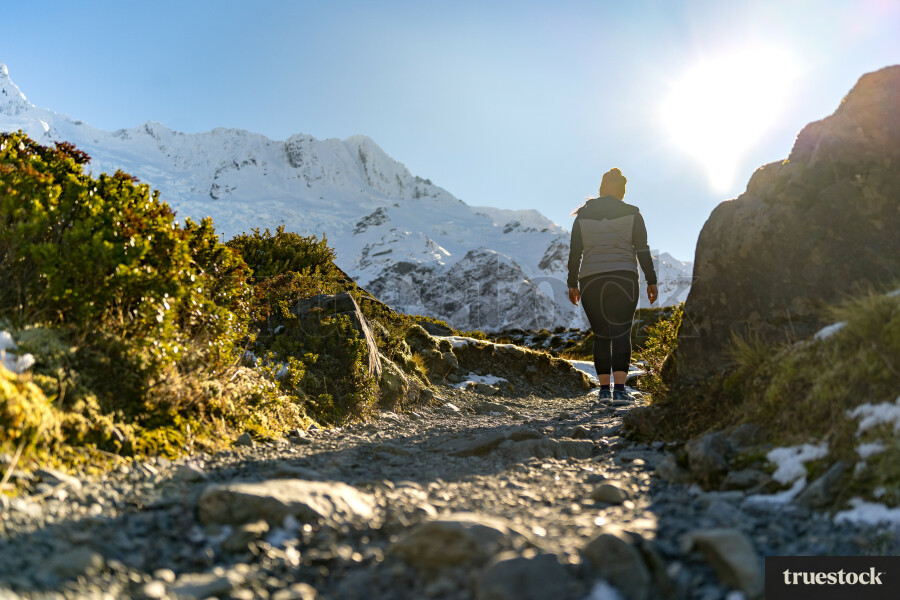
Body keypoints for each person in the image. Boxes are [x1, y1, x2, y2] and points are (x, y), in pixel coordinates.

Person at [567, 168, 658, 401]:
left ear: (601, 189)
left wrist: (572, 283)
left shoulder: (582, 215)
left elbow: (575, 252)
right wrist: (651, 280)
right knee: (621, 333)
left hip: (591, 278)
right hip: (623, 277)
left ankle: (603, 392)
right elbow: (642, 249)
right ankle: (619, 390)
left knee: (601, 335)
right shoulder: (632, 213)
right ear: (621, 191)